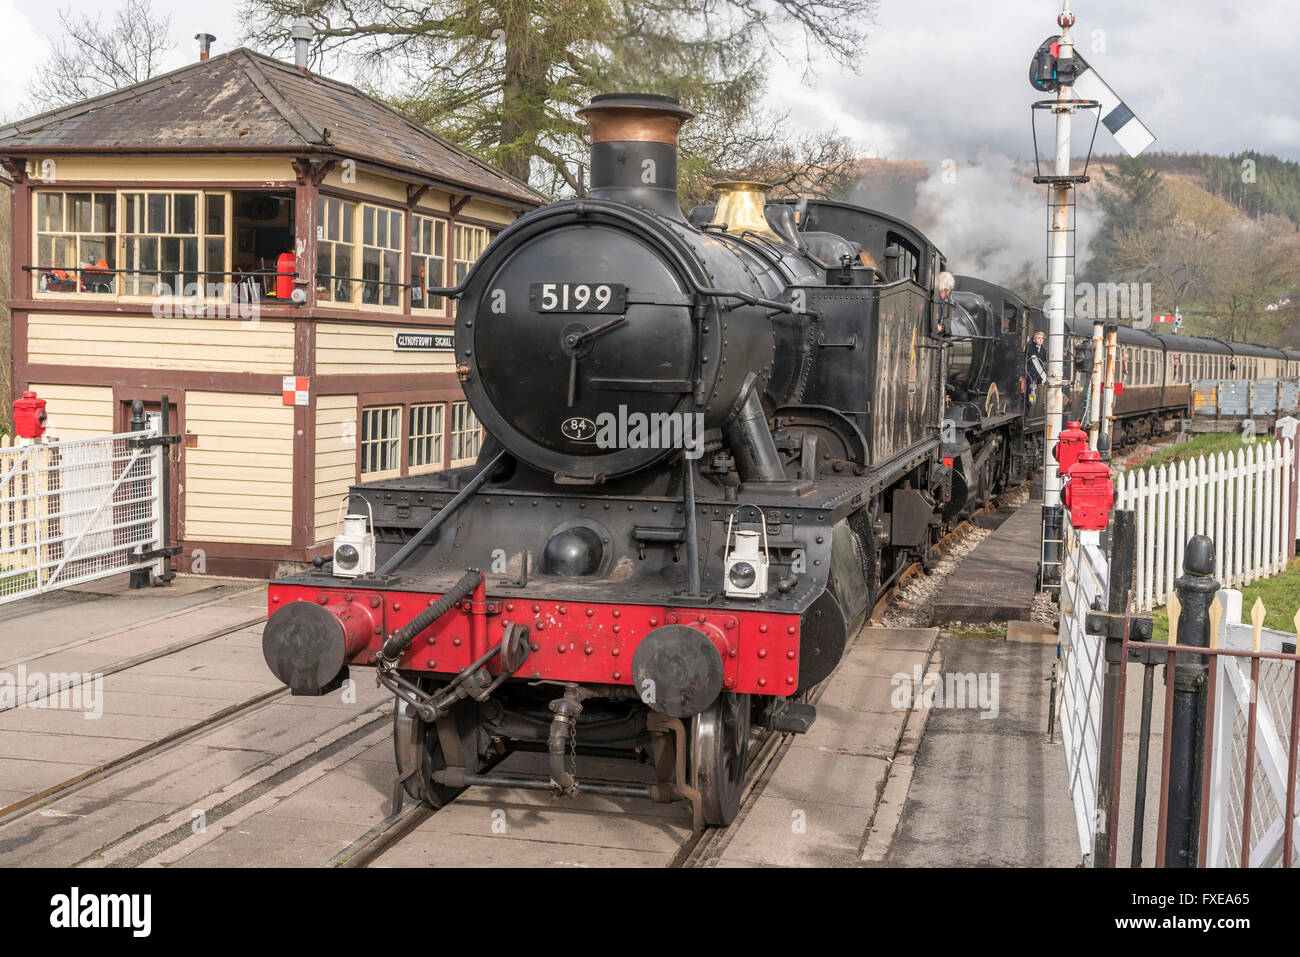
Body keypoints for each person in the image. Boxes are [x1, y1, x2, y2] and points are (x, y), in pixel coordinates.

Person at [1026, 330, 1047, 406]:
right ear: (1034, 339)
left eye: (1042, 338)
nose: (1041, 340)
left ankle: (1031, 409)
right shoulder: (1029, 347)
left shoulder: (1044, 351)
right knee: (1028, 394)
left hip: (1038, 377)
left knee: (1035, 396)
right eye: (1038, 338)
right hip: (1029, 375)